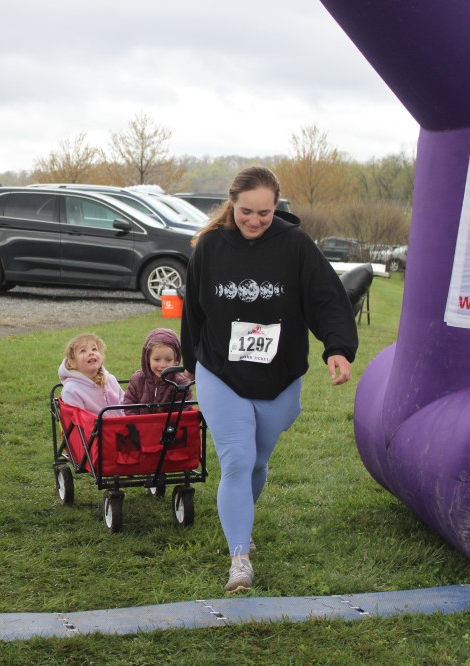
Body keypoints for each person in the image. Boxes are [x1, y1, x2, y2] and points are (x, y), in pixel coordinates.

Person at [180, 166, 357, 595]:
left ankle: (242, 520)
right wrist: (191, 364)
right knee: (237, 460)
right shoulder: (210, 247)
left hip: (278, 374)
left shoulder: (295, 245)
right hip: (221, 370)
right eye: (246, 211)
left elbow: (326, 298)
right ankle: (239, 559)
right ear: (232, 203)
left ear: (276, 207)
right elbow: (193, 311)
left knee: (257, 463)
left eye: (264, 212)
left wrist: (337, 346)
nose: (255, 220)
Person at [121, 327, 192, 415]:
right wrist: (137, 422)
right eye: (157, 359)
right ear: (147, 359)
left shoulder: (181, 383)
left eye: (168, 360)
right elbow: (129, 405)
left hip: (170, 423)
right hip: (141, 423)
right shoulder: (137, 379)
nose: (162, 365)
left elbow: (184, 410)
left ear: (176, 361)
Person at [57, 332, 123, 413]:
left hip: (121, 421)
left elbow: (126, 405)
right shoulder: (72, 390)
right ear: (73, 363)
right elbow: (78, 419)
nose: (91, 353)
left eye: (94, 349)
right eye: (83, 350)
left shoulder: (110, 380)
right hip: (94, 422)